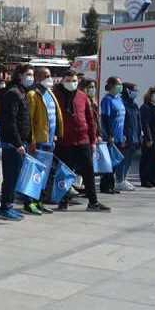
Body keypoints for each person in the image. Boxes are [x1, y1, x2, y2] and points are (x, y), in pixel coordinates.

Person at [53, 70, 110, 211]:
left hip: (83, 140)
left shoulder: (82, 96)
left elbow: (90, 119)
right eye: (68, 80)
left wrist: (92, 139)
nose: (72, 83)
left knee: (88, 172)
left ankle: (93, 202)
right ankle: (63, 200)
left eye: (74, 81)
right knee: (64, 173)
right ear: (62, 81)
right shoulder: (56, 96)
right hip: (64, 141)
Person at [0, 64, 34, 221]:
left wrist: (29, 139)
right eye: (28, 74)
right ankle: (5, 207)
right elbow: (10, 121)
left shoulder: (21, 92)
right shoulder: (13, 93)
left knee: (15, 176)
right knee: (10, 176)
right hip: (12, 144)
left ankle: (9, 205)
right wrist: (18, 143)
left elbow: (25, 119)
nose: (31, 78)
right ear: (19, 75)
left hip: (20, 143)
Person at [27, 67, 63, 213]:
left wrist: (57, 134)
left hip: (50, 142)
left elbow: (55, 116)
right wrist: (32, 140)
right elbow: (28, 120)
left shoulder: (50, 94)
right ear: (38, 78)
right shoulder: (32, 95)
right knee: (34, 173)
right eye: (46, 75)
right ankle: (29, 202)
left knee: (44, 174)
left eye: (50, 75)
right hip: (38, 142)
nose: (50, 78)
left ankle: (40, 201)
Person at [99, 76, 126, 194]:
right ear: (111, 86)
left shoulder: (119, 99)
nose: (120, 86)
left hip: (120, 136)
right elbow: (106, 118)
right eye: (118, 84)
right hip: (111, 136)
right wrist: (110, 134)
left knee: (116, 162)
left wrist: (123, 134)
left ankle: (112, 185)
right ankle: (105, 186)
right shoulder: (107, 100)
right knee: (109, 163)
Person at [117, 82, 142, 191]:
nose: (135, 92)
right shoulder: (121, 103)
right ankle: (119, 180)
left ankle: (124, 178)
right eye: (133, 90)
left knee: (128, 160)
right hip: (125, 137)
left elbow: (138, 121)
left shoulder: (134, 104)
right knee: (122, 160)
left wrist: (139, 135)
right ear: (127, 90)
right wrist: (122, 136)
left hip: (134, 137)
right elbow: (120, 122)